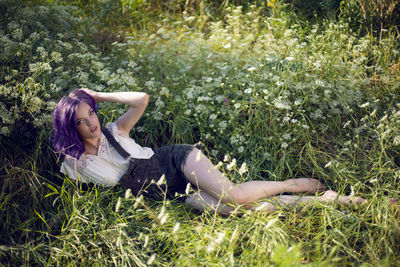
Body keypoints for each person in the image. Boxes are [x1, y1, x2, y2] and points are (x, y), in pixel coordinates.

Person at [52, 89, 366, 215]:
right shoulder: (75, 163)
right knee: (250, 211)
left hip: (175, 162)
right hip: (169, 196)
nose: (90, 123)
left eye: (91, 113)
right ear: (71, 127)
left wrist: (96, 95)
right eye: (80, 121)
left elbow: (142, 99)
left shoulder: (114, 131)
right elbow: (77, 192)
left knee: (237, 196)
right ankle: (324, 202)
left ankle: (294, 186)